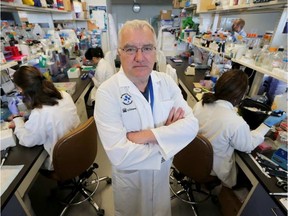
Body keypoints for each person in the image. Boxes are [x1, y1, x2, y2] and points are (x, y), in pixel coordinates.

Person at [94, 20, 199, 216]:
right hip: (131, 183)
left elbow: (192, 126)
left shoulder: (166, 82)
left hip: (161, 178)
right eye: (130, 49)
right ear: (119, 52)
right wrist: (169, 138)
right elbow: (120, 155)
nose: (140, 57)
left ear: (156, 51)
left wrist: (147, 135)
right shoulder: (107, 92)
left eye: (147, 48)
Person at [193, 69, 286, 188]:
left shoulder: (200, 104)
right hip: (212, 168)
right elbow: (248, 146)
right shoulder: (235, 122)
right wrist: (266, 125)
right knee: (247, 180)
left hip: (192, 158)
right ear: (240, 96)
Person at [8, 65, 80, 171]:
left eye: (18, 89)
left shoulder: (39, 113)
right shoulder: (64, 95)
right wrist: (28, 117)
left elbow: (27, 140)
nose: (19, 92)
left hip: (62, 161)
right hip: (79, 148)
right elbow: (52, 115)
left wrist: (17, 117)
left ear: (23, 90)